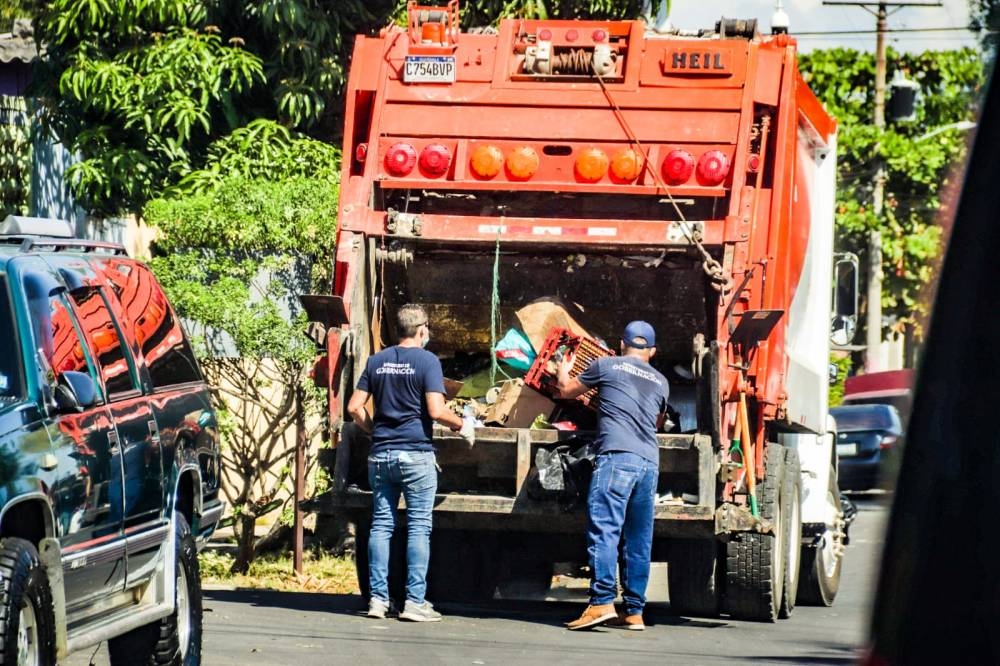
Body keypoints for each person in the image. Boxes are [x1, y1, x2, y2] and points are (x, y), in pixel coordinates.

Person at [347, 304, 474, 622]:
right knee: (418, 527)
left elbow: (353, 407)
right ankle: (414, 602)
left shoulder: (377, 361)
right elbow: (435, 410)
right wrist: (462, 425)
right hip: (416, 455)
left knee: (381, 526)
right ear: (421, 330)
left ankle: (378, 601)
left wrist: (373, 429)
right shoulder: (427, 361)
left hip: (381, 456)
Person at [556, 320, 669, 631]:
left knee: (605, 531)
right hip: (648, 463)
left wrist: (562, 368)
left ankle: (601, 602)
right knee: (638, 539)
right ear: (653, 351)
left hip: (616, 457)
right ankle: (634, 611)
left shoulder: (606, 365)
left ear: (621, 345)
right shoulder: (661, 382)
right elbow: (657, 421)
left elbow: (566, 391)